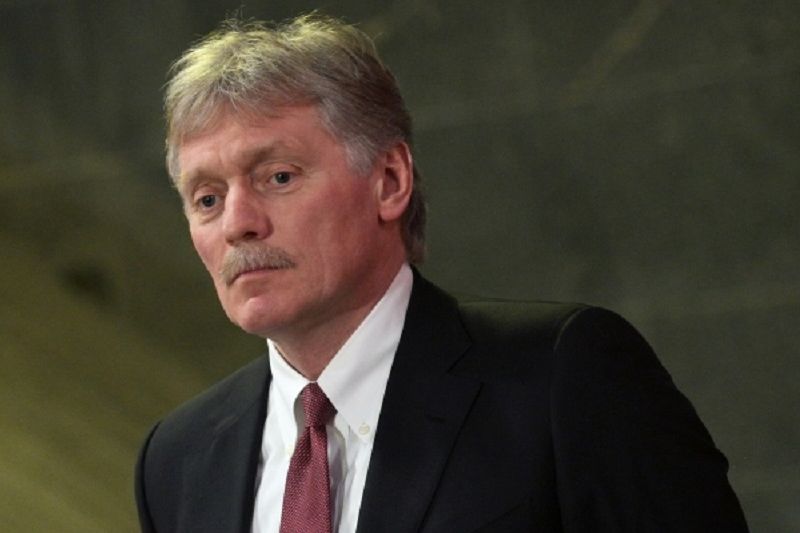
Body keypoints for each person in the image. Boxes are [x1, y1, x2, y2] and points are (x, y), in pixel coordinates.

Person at [135, 13, 749, 533]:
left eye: (278, 177)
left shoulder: (563, 378)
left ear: (389, 181)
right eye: (207, 198)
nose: (238, 223)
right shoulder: (178, 459)